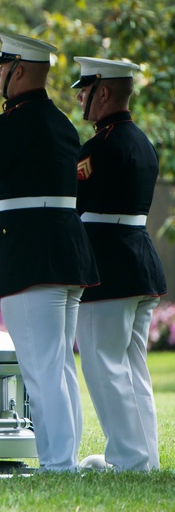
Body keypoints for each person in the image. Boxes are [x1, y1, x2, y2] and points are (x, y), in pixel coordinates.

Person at [0, 32, 99, 471]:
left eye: (2, 67)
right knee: (59, 364)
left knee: (41, 366)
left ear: (19, 70)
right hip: (66, 253)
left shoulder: (9, 125)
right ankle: (65, 457)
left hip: (31, 254)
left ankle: (59, 464)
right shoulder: (62, 122)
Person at [72, 56, 167, 471]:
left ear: (104, 92)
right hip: (138, 261)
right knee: (132, 366)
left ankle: (129, 459)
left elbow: (75, 200)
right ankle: (144, 457)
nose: (80, 97)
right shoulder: (141, 141)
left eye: (85, 89)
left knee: (103, 365)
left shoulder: (103, 145)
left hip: (108, 264)